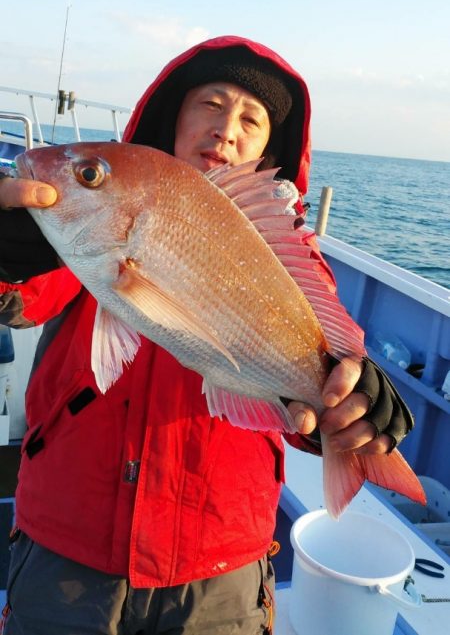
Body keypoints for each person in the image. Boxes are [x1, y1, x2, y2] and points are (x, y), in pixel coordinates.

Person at [0, 35, 413, 635]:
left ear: (268, 144)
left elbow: (301, 406)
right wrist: (9, 260)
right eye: (211, 104)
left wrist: (351, 403)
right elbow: (22, 300)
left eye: (251, 118)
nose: (227, 129)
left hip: (219, 562)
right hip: (68, 546)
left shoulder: (292, 252)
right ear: (176, 115)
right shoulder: (90, 218)